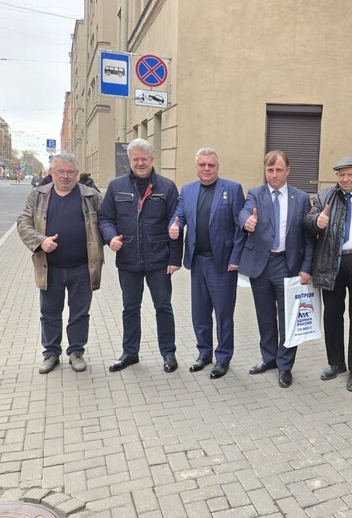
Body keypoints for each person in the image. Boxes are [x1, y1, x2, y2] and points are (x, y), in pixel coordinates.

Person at [98, 138, 183, 373]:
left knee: (163, 307)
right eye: (135, 159)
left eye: (144, 159)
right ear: (129, 160)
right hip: (128, 258)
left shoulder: (167, 187)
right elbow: (105, 218)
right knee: (130, 308)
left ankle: (168, 353)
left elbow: (176, 223)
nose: (140, 163)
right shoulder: (116, 187)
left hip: (159, 259)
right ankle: (130, 353)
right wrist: (110, 238)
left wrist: (175, 259)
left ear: (152, 159)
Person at [16, 153, 103, 374]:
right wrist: (40, 241)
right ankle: (51, 353)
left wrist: (110, 239)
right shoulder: (37, 196)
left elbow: (106, 222)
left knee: (80, 313)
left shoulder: (91, 196)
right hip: (50, 268)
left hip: (83, 267)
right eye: (61, 172)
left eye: (70, 172)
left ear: (77, 173)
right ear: (51, 172)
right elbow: (23, 222)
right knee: (49, 313)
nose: (66, 176)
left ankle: (76, 352)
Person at [239, 150, 314, 388]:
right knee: (265, 316)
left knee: (288, 318)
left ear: (287, 171)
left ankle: (285, 365)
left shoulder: (301, 198)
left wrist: (306, 267)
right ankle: (269, 358)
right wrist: (246, 220)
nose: (273, 174)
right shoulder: (255, 194)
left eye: (278, 170)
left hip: (287, 265)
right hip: (261, 265)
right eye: (270, 170)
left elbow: (308, 237)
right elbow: (244, 211)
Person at [168, 148, 245, 379]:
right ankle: (204, 353)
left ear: (217, 167)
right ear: (196, 167)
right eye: (202, 164)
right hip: (198, 261)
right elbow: (179, 216)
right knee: (200, 313)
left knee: (223, 314)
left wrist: (235, 258)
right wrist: (174, 226)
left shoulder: (232, 189)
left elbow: (240, 227)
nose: (206, 168)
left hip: (222, 263)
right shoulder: (188, 190)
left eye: (211, 165)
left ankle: (223, 358)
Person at [304, 156, 352, 392]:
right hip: (330, 262)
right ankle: (336, 363)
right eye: (341, 175)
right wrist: (317, 221)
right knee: (332, 315)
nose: (345, 179)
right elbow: (307, 221)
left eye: (350, 174)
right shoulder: (324, 196)